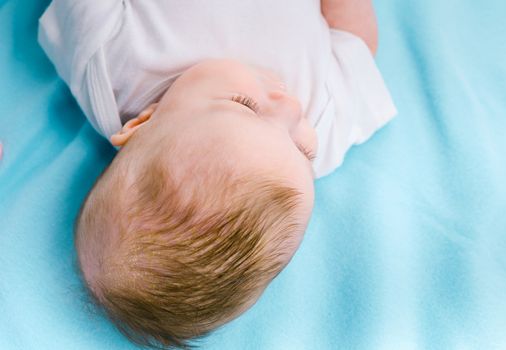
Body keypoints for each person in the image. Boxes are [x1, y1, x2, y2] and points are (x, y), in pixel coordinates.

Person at [38, 0, 397, 348]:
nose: (290, 107)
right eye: (303, 150)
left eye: (244, 105)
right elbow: (357, 48)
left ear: (143, 122)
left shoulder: (112, 66)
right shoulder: (320, 129)